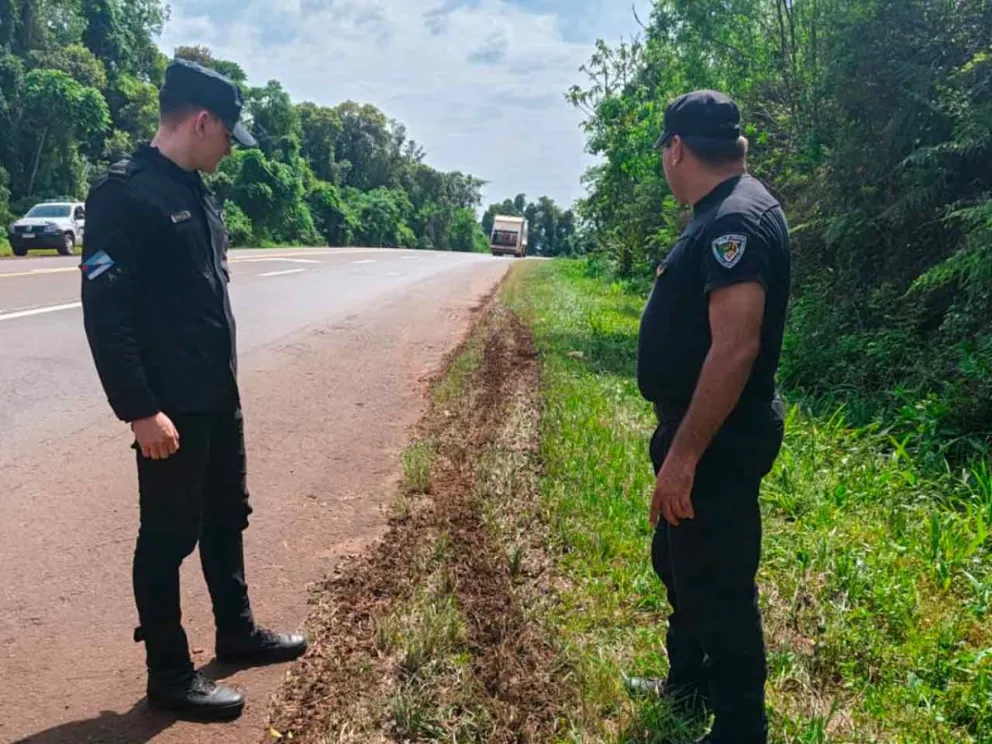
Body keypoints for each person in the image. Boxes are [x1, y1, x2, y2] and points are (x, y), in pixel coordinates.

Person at [80, 58, 307, 722]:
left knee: (226, 516)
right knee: (167, 536)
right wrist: (139, 410)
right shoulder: (125, 194)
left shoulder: (199, 192)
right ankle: (170, 674)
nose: (231, 149)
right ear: (202, 122)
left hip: (217, 394)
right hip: (169, 407)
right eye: (229, 135)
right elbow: (106, 313)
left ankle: (236, 630)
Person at [632, 90, 791, 744]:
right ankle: (689, 681)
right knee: (680, 562)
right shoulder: (723, 209)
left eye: (663, 151)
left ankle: (739, 726)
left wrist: (685, 456)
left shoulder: (735, 222)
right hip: (701, 427)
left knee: (719, 580)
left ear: (676, 148)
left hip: (719, 436)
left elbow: (735, 347)